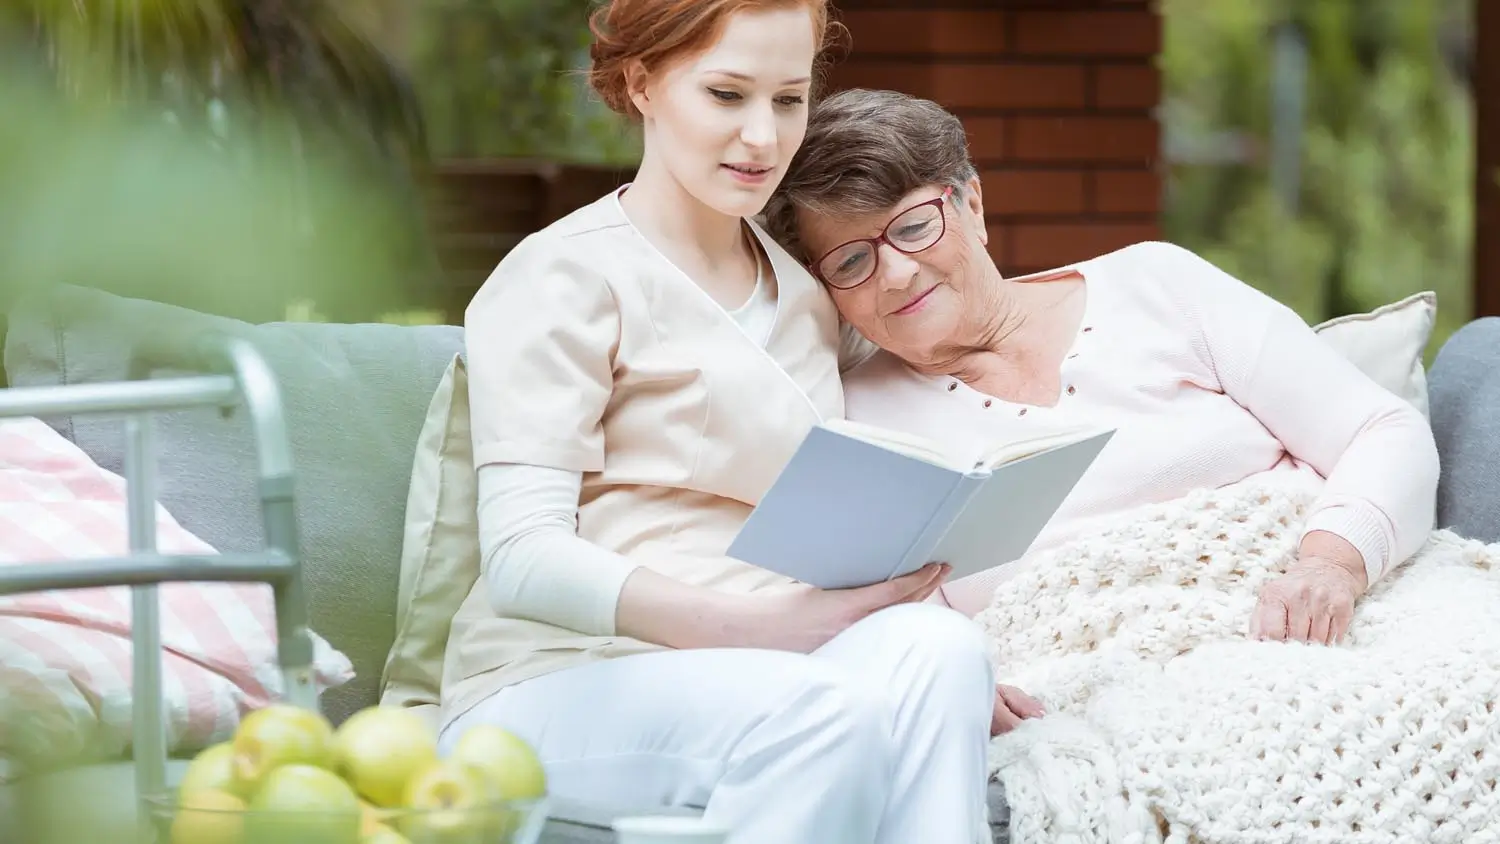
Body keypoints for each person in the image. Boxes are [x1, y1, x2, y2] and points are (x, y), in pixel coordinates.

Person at [437, 6, 1003, 843]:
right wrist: (764, 632)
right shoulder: (564, 276)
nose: (762, 138)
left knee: (941, 652)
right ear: (642, 83)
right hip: (561, 680)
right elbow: (522, 558)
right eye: (727, 95)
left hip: (767, 670)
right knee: (823, 707)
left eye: (787, 100)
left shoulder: (807, 294)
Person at [762, 87, 1440, 653]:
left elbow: (1384, 429)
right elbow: (897, 620)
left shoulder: (1158, 283)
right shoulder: (857, 421)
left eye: (914, 226)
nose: (897, 272)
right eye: (852, 261)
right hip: (1092, 677)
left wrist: (1330, 564)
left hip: (1323, 613)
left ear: (972, 204)